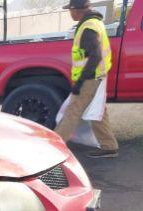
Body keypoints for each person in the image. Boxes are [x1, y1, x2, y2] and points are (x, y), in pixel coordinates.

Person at [55, 0, 119, 158]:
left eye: (70, 10)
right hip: (97, 76)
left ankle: (55, 147)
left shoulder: (88, 28)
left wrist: (81, 80)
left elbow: (95, 56)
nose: (70, 13)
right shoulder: (95, 23)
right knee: (99, 112)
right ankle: (109, 145)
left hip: (90, 78)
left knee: (73, 111)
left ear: (77, 10)